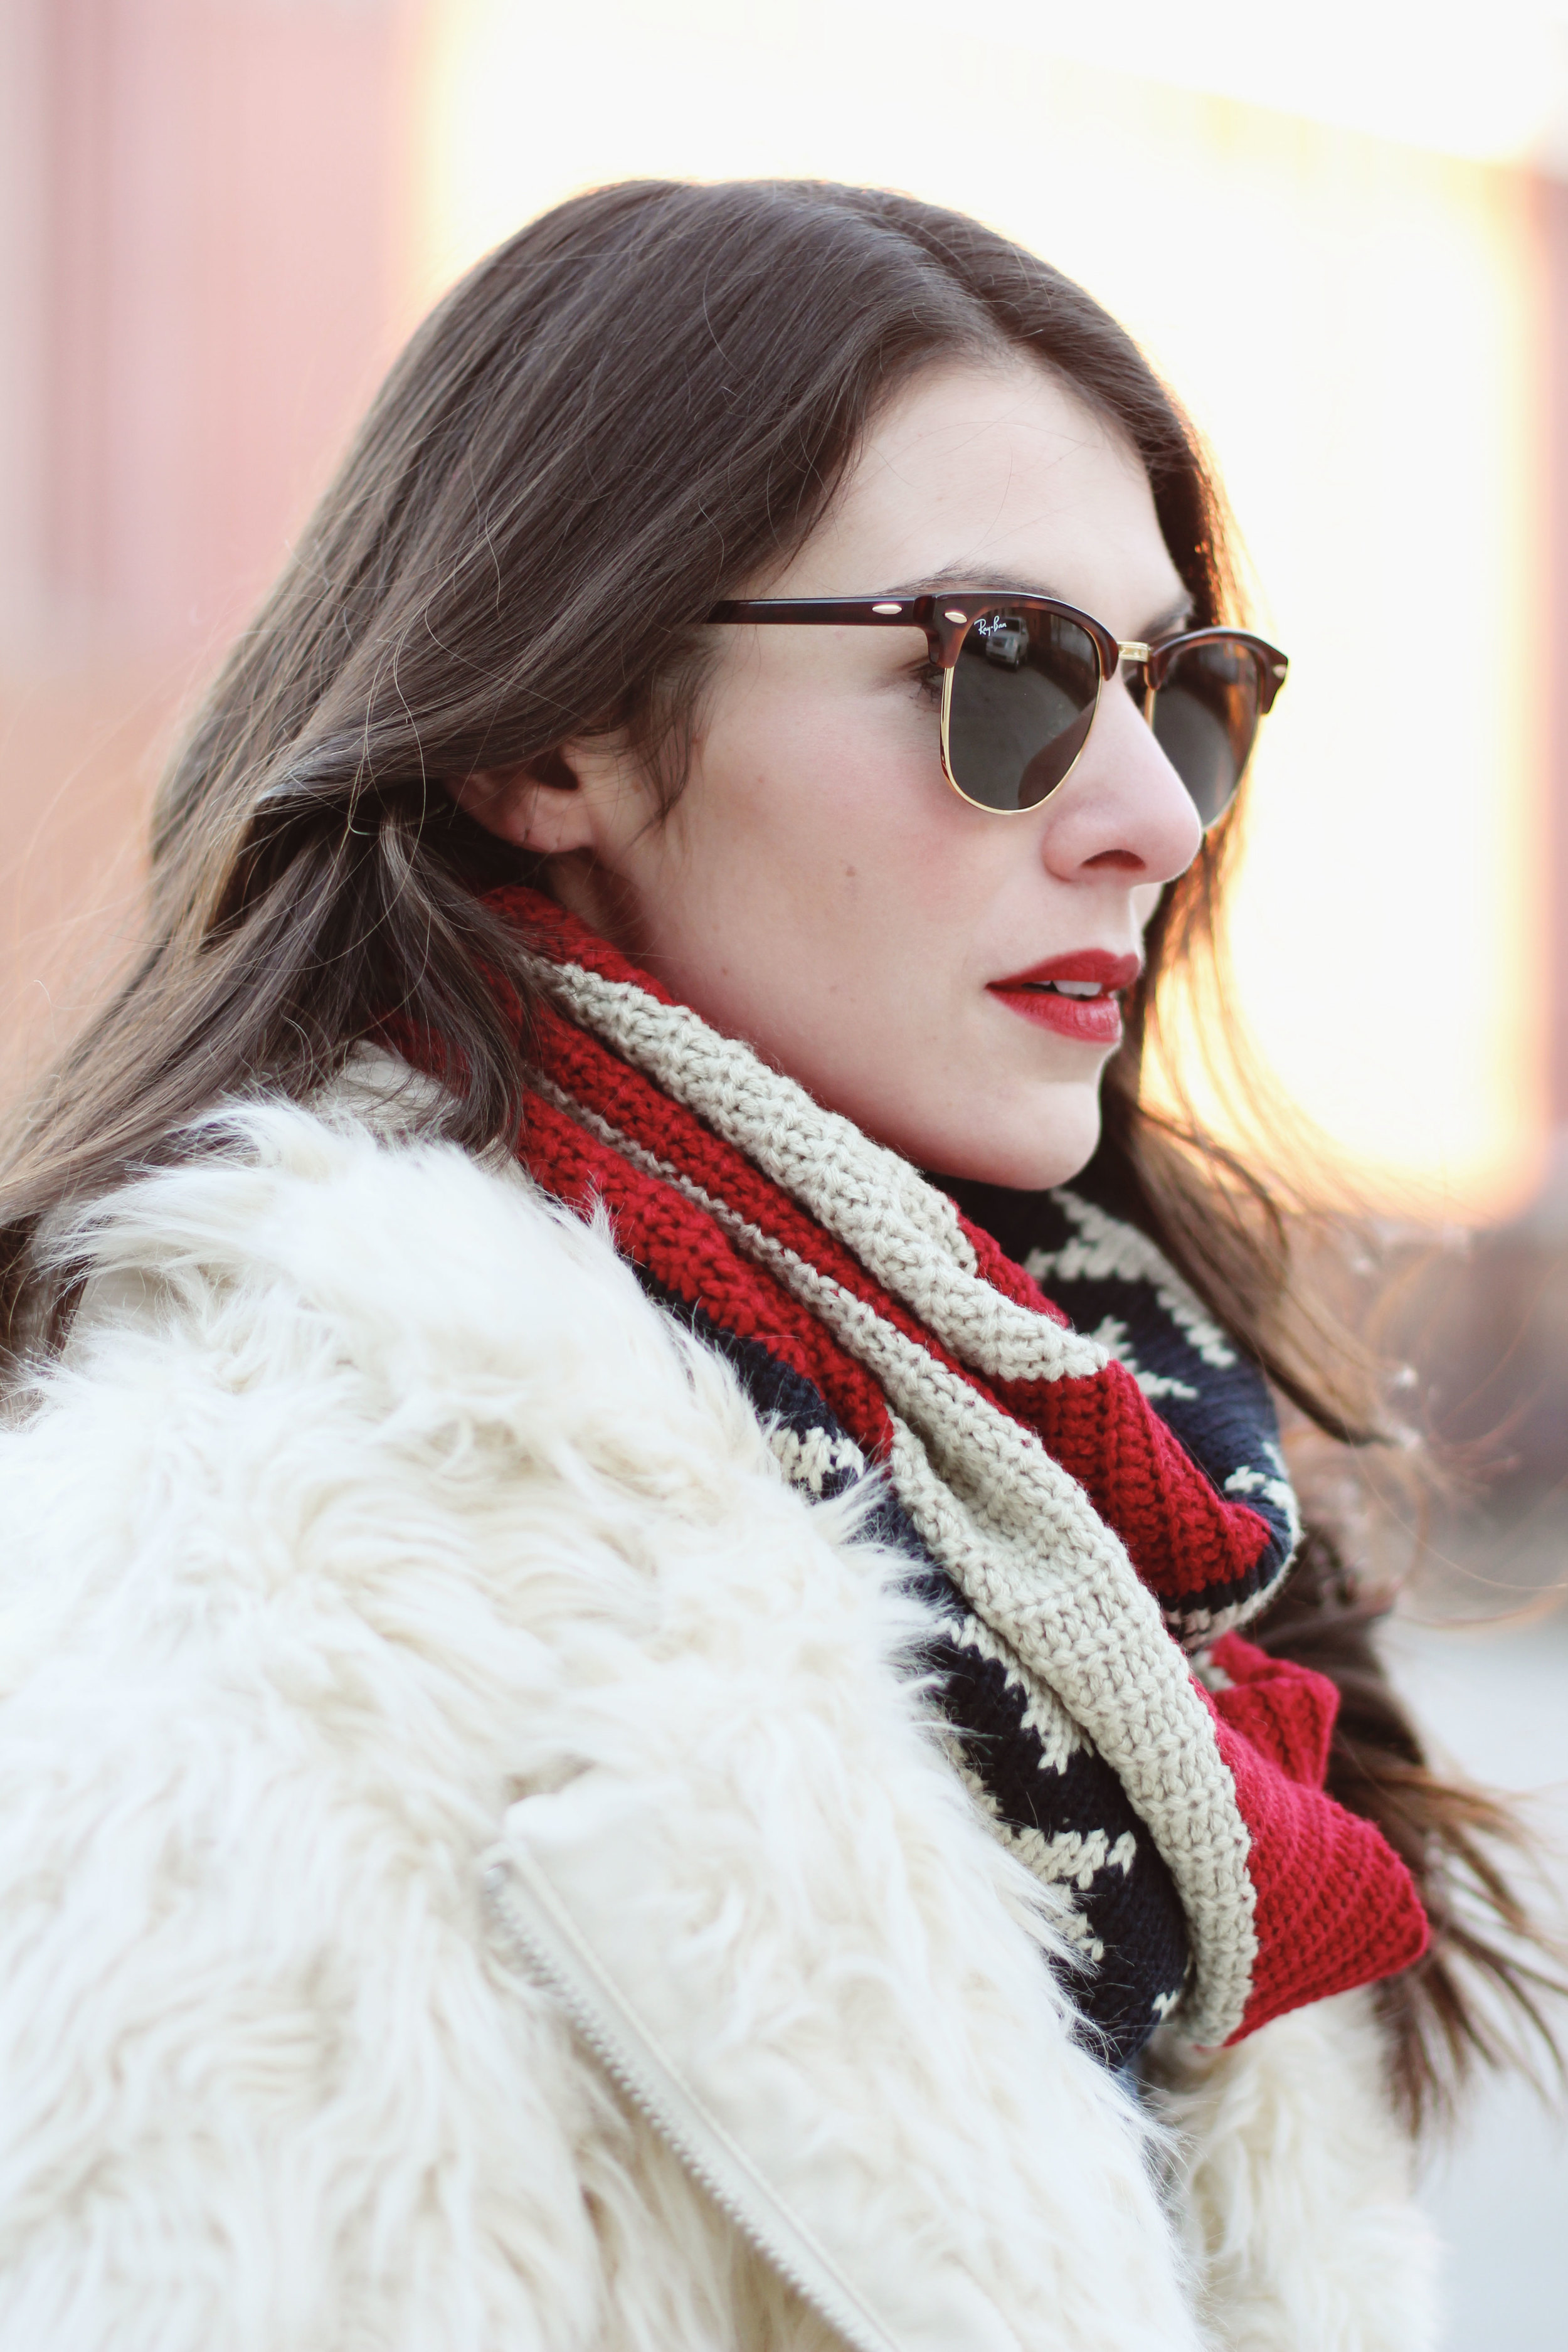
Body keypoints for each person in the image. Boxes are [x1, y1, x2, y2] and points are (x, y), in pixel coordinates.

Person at [0, 179, 1553, 2351]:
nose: (1154, 812)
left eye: (1187, 691)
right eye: (1002, 669)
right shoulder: (232, 1644)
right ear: (555, 738)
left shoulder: (1101, 1554)